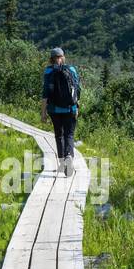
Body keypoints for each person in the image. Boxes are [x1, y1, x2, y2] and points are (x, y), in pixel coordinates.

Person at [40, 47, 80, 175]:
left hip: (54, 109)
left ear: (51, 59)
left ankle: (62, 164)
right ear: (63, 57)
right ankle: (69, 156)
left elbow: (45, 92)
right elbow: (77, 89)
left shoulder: (48, 71)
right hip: (70, 108)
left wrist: (43, 112)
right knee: (69, 134)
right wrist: (77, 106)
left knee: (59, 135)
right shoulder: (71, 69)